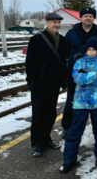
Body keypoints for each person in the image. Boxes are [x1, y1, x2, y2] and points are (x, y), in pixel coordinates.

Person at [60, 37, 97, 173]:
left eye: (94, 50)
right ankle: (69, 160)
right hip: (80, 102)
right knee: (74, 132)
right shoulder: (79, 61)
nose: (91, 52)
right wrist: (96, 74)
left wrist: (86, 75)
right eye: (89, 49)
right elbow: (77, 79)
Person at [25, 13, 67, 157]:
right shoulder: (37, 39)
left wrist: (64, 79)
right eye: (54, 22)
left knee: (50, 113)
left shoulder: (61, 40)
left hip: (54, 83)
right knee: (38, 113)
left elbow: (63, 61)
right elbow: (30, 62)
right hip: (40, 83)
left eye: (58, 22)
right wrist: (31, 81)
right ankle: (36, 143)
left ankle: (46, 138)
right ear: (47, 23)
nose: (57, 24)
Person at [62, 7, 97, 138]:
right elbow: (65, 53)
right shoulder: (72, 33)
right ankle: (67, 126)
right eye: (86, 16)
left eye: (91, 16)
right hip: (76, 75)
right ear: (81, 18)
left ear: (94, 18)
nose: (88, 18)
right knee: (72, 100)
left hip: (95, 76)